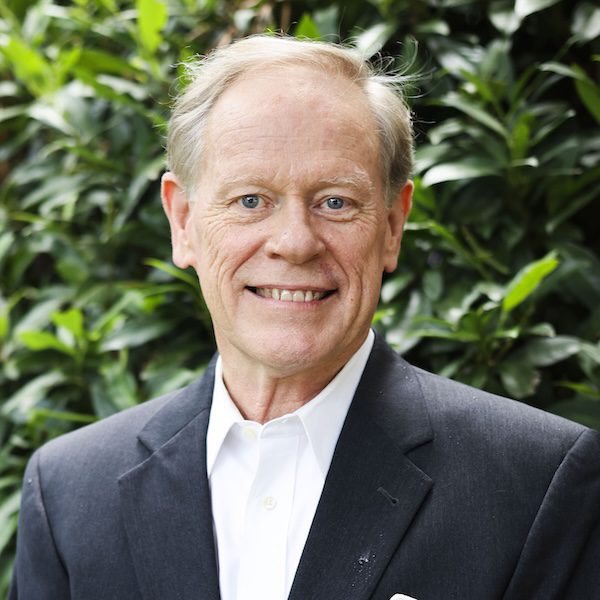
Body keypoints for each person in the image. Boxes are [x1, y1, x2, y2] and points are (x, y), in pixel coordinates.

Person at [9, 35, 600, 600]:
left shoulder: (534, 484)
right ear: (183, 221)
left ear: (393, 225)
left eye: (335, 202)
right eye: (250, 200)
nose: (294, 242)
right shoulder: (68, 493)